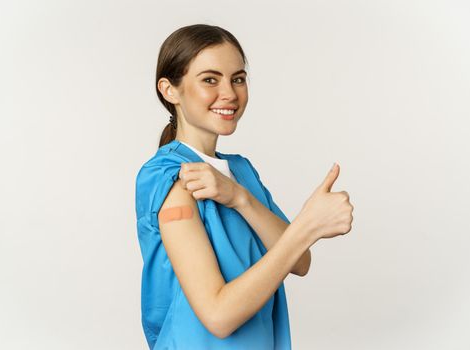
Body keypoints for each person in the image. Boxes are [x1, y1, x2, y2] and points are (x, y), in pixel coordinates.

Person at [135, 24, 354, 349]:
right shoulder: (173, 179)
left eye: (237, 78)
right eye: (210, 79)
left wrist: (239, 197)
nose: (230, 93)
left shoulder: (241, 171)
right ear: (170, 90)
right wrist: (307, 225)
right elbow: (218, 316)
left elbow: (299, 261)